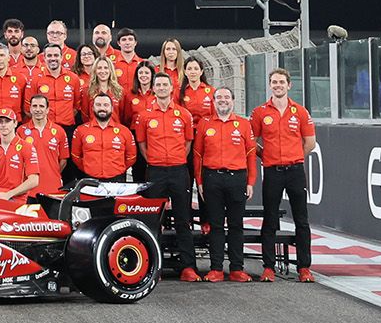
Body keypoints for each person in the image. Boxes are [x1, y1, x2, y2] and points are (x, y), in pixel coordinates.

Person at [253, 68, 317, 282]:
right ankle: (268, 267)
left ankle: (304, 268)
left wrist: (295, 156)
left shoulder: (300, 112)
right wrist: (266, 156)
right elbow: (251, 141)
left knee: (302, 220)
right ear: (270, 85)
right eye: (274, 82)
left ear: (289, 85)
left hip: (295, 171)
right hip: (272, 171)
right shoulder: (260, 112)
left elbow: (310, 143)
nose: (278, 85)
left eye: (281, 82)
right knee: (270, 219)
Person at [134, 78, 198, 280]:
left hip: (179, 171)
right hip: (155, 172)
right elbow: (142, 144)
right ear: (153, 89)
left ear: (172, 88)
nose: (162, 88)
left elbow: (188, 143)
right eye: (158, 85)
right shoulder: (144, 116)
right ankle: (154, 267)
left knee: (183, 220)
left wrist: (175, 160)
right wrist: (155, 160)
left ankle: (188, 267)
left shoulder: (184, 114)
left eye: (165, 85)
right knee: (154, 221)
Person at [195, 86, 257, 282]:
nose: (223, 100)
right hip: (212, 178)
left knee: (236, 225)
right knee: (216, 225)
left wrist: (251, 181)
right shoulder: (205, 124)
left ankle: (237, 268)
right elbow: (197, 155)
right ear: (213, 101)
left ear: (233, 100)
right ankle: (216, 269)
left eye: (227, 97)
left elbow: (251, 154)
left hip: (237, 179)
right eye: (219, 97)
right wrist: (200, 181)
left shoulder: (244, 124)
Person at [0, 109, 41, 204]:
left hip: (17, 199)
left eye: (7, 121)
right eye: (0, 121)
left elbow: (34, 180)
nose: (3, 125)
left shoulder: (27, 147)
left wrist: (8, 194)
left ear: (15, 123)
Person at [70, 94, 137, 183]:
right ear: (92, 108)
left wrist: (118, 169)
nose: (102, 108)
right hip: (90, 179)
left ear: (112, 108)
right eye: (98, 105)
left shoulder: (124, 131)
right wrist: (88, 168)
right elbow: (76, 156)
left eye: (106, 105)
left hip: (117, 179)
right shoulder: (80, 130)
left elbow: (131, 157)